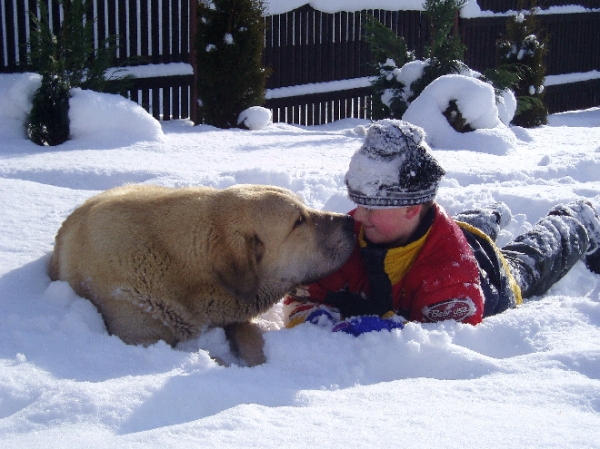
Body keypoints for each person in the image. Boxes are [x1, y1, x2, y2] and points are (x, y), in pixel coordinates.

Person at [284, 120, 600, 336]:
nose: (358, 216)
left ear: (411, 207)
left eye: (371, 207)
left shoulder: (452, 278)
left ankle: (577, 220)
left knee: (531, 261)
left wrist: (395, 332)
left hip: (487, 274)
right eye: (359, 203)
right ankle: (486, 216)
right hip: (439, 235)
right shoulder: (353, 236)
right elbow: (303, 294)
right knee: (465, 229)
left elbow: (447, 340)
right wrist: (316, 320)